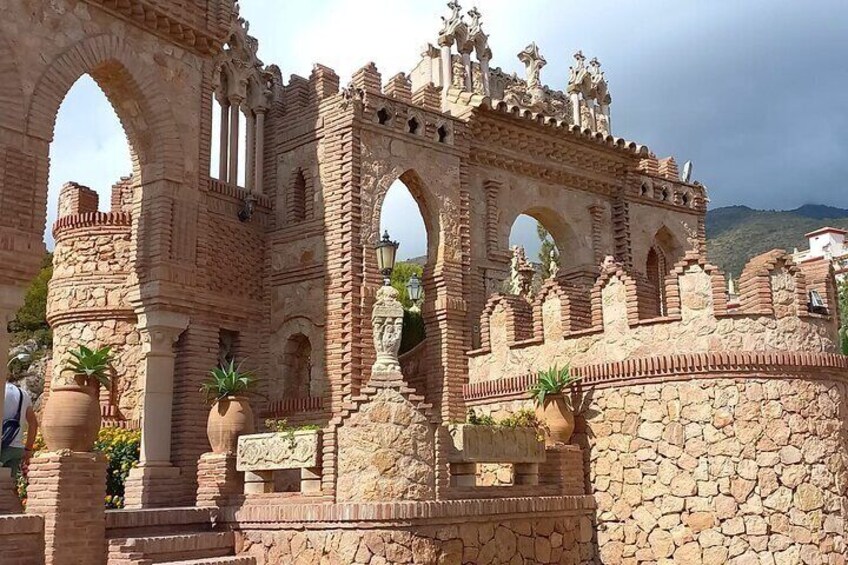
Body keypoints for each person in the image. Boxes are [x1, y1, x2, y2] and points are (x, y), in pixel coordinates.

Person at [2, 379, 38, 480]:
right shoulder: (23, 393)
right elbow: (33, 423)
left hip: (2, 447)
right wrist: (28, 449)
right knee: (9, 486)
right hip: (17, 449)